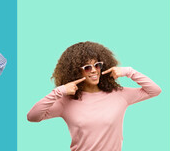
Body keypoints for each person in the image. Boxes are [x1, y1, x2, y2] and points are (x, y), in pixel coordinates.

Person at [27, 41, 161, 151]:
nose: (93, 71)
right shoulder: (66, 102)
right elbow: (32, 117)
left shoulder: (120, 94)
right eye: (87, 67)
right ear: (75, 71)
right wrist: (59, 91)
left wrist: (129, 71)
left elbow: (155, 90)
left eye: (97, 65)